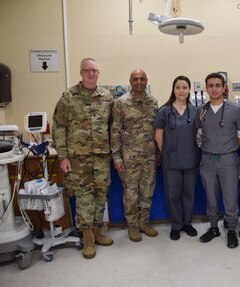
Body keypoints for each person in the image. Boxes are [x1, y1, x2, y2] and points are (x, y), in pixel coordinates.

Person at [52, 57, 113, 259]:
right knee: (84, 196)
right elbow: (59, 127)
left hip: (102, 157)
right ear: (81, 73)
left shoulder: (106, 97)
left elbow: (113, 127)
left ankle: (96, 230)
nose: (91, 74)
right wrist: (63, 156)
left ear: (98, 73)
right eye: (87, 70)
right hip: (78, 158)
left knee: (101, 194)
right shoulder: (68, 97)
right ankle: (87, 236)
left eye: (94, 70)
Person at [197, 72, 240, 248]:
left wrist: (229, 148)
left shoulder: (235, 110)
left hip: (228, 160)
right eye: (210, 85)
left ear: (224, 88)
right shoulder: (201, 111)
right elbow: (199, 134)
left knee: (230, 197)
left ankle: (232, 230)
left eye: (218, 85)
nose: (214, 89)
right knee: (210, 197)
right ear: (206, 88)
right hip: (207, 160)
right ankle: (213, 227)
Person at [110, 69, 159, 242]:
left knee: (147, 192)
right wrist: (116, 157)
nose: (139, 81)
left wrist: (159, 153)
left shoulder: (153, 102)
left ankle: (144, 223)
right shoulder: (121, 103)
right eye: (135, 79)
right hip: (129, 158)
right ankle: (133, 226)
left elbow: (157, 130)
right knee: (131, 195)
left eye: (142, 78)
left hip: (150, 157)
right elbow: (115, 131)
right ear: (130, 81)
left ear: (147, 81)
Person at [154, 76, 200, 240]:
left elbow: (200, 135)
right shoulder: (164, 111)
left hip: (191, 159)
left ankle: (187, 223)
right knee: (173, 194)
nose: (181, 91)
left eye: (185, 87)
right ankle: (176, 224)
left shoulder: (196, 111)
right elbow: (159, 136)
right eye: (178, 87)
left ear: (189, 90)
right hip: (171, 160)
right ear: (173, 90)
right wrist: (166, 153)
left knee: (189, 193)